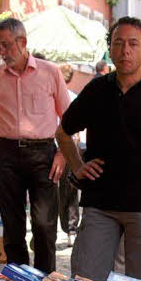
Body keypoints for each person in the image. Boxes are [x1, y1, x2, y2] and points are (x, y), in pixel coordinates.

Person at [55, 17, 141, 281]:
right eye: (118, 43)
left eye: (133, 44)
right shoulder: (97, 89)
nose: (125, 50)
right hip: (100, 201)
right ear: (110, 50)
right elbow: (63, 131)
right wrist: (77, 165)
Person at [0, 18, 71, 273]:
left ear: (23, 42)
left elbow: (69, 118)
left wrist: (63, 154)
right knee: (12, 225)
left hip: (43, 154)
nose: (2, 52)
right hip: (6, 154)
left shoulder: (50, 72)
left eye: (7, 45)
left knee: (44, 224)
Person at [57, 63, 81, 237]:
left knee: (55, 191)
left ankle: (58, 228)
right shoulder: (73, 96)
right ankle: (71, 229)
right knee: (70, 190)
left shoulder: (53, 95)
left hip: (57, 148)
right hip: (71, 147)